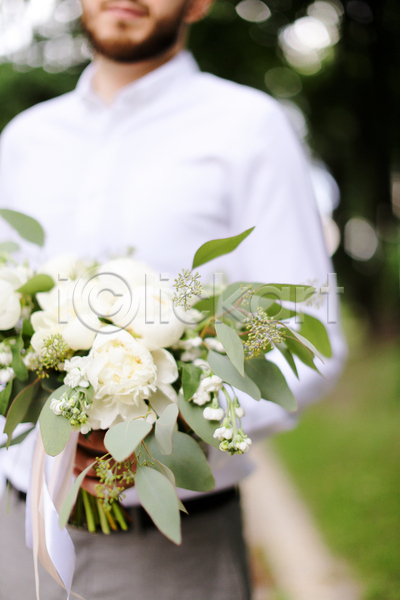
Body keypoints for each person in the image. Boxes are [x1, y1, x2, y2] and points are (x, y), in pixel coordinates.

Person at [0, 1, 347, 599]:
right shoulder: (26, 138)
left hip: (170, 550)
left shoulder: (248, 126)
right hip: (16, 533)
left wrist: (174, 423)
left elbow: (309, 333)